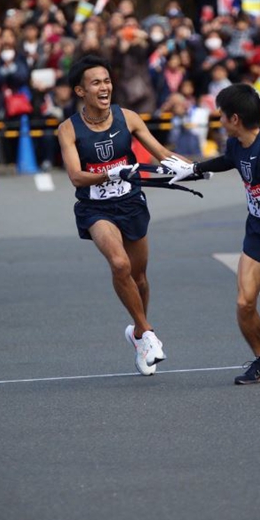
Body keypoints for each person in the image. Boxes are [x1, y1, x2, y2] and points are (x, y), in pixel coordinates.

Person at [161, 83, 260, 385]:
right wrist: (193, 169)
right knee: (244, 303)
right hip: (258, 229)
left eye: (222, 115)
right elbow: (228, 161)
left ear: (234, 119)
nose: (219, 120)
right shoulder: (237, 144)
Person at [58, 55, 183, 377]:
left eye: (107, 81)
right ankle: (148, 331)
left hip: (131, 204)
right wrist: (112, 173)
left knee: (139, 277)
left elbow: (163, 154)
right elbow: (75, 176)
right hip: (95, 208)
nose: (104, 87)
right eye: (96, 82)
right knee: (119, 264)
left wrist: (194, 169)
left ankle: (138, 336)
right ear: (80, 91)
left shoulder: (127, 118)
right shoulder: (68, 130)